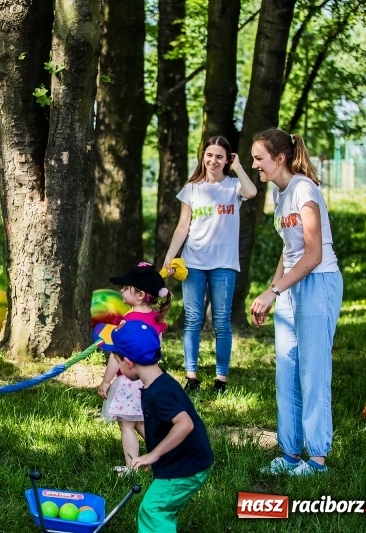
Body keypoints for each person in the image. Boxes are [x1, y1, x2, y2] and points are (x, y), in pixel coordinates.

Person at [249, 128, 342, 476]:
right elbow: (290, 251)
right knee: (286, 369)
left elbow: (314, 254)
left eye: (259, 158)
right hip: (292, 284)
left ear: (280, 158)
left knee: (313, 371)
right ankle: (290, 454)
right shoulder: (279, 192)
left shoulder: (305, 189)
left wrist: (272, 291)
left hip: (318, 283)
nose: (255, 165)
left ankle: (316, 459)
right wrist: (274, 292)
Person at [162, 135, 257, 393]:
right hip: (193, 262)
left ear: (227, 160)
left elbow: (252, 192)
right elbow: (183, 227)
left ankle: (221, 379)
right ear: (202, 156)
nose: (213, 160)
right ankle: (191, 376)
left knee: (222, 321)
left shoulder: (234, 186)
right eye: (209, 155)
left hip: (224, 264)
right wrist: (170, 256)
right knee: (193, 319)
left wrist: (238, 167)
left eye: (219, 156)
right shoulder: (192, 188)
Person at [106, 320, 213, 533]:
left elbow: (185, 424)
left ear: (128, 362)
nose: (117, 366)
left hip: (185, 468)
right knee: (161, 509)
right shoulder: (159, 382)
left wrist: (153, 454)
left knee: (153, 510)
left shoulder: (159, 393)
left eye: (117, 361)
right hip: (183, 463)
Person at [97, 263, 172, 476]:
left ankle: (132, 467)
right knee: (140, 421)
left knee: (127, 425)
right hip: (149, 380)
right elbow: (157, 350)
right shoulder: (157, 320)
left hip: (129, 381)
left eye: (125, 288)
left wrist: (106, 381)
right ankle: (166, 454)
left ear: (139, 295)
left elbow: (116, 356)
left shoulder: (127, 322)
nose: (121, 291)